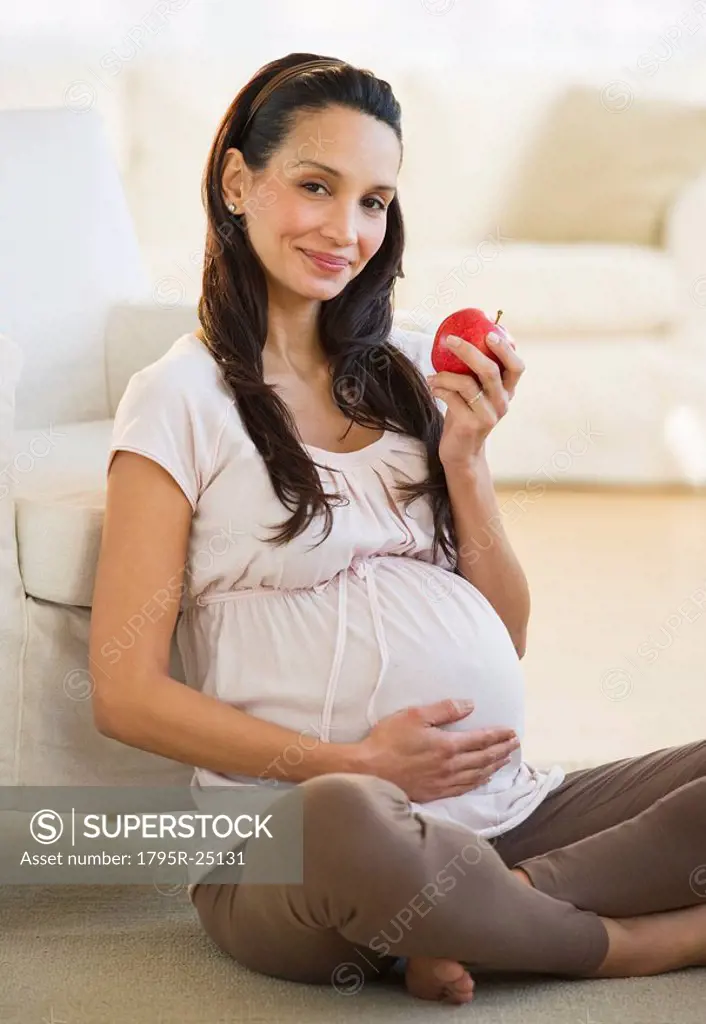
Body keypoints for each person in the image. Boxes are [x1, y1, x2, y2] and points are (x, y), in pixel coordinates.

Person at [89, 52, 706, 1006]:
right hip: (293, 837)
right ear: (237, 181)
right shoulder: (177, 398)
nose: (347, 230)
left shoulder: (412, 368)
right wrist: (360, 763)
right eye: (316, 186)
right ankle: (625, 945)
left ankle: (492, 908)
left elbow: (507, 636)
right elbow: (124, 695)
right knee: (350, 820)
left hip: (505, 811)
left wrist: (466, 459)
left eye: (375, 201)